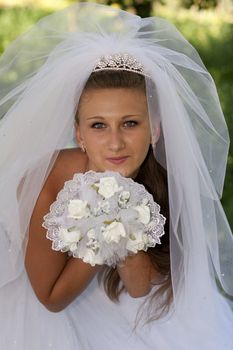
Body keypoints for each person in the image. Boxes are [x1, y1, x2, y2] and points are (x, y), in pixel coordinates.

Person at [0, 3, 232, 349]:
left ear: (154, 129)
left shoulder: (162, 178)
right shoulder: (46, 178)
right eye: (98, 126)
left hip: (97, 287)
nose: (115, 142)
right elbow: (50, 297)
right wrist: (105, 224)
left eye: (130, 123)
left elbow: (140, 287)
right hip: (30, 293)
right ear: (78, 135)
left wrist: (124, 220)